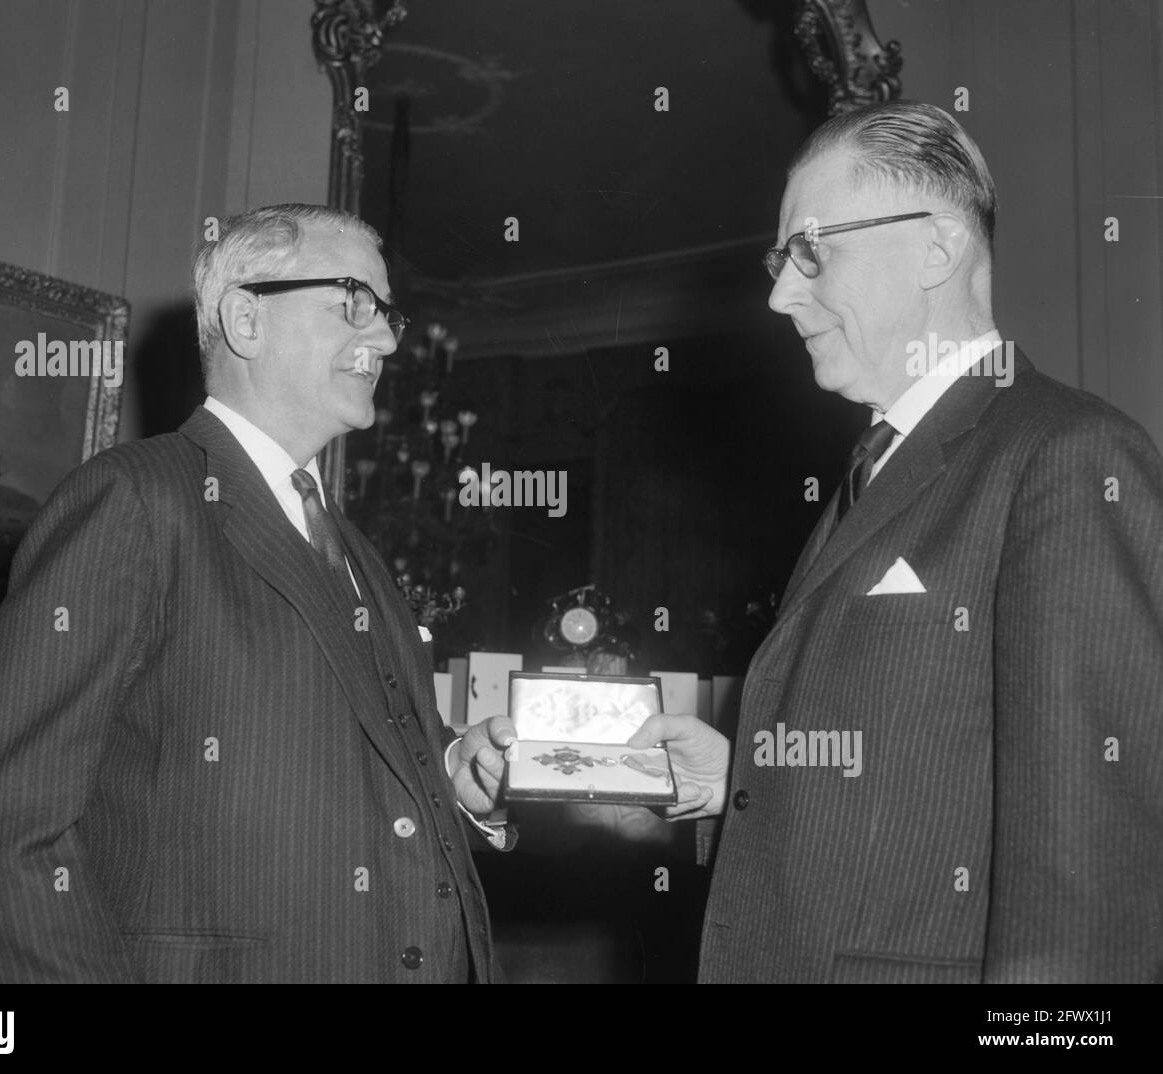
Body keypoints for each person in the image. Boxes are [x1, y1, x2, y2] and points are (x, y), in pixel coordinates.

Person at [493, 101, 1163, 982]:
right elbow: (928, 785)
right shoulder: (874, 469)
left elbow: (1092, 861)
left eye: (812, 249)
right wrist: (735, 780)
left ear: (937, 246)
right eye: (780, 260)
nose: (778, 293)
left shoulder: (1065, 453)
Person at [0, 203, 512, 983]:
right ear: (246, 319)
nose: (387, 339)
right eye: (354, 302)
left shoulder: (354, 548)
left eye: (387, 313)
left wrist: (453, 775)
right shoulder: (137, 501)